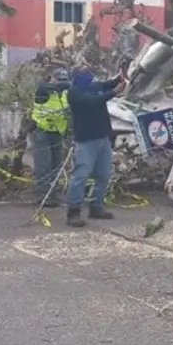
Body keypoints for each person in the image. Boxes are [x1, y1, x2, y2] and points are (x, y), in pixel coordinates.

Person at [64, 65, 124, 227]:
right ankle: (73, 211)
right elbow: (94, 101)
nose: (88, 72)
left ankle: (96, 207)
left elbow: (108, 84)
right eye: (84, 71)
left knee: (103, 174)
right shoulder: (74, 93)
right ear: (77, 76)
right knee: (80, 175)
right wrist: (114, 92)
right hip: (85, 140)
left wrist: (120, 77)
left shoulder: (94, 86)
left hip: (102, 138)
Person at [30, 67, 72, 207]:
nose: (62, 83)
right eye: (59, 79)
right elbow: (48, 88)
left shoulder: (65, 94)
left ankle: (53, 195)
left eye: (64, 80)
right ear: (51, 78)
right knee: (44, 165)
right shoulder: (43, 91)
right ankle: (43, 196)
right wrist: (65, 84)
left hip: (57, 134)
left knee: (56, 165)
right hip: (42, 132)